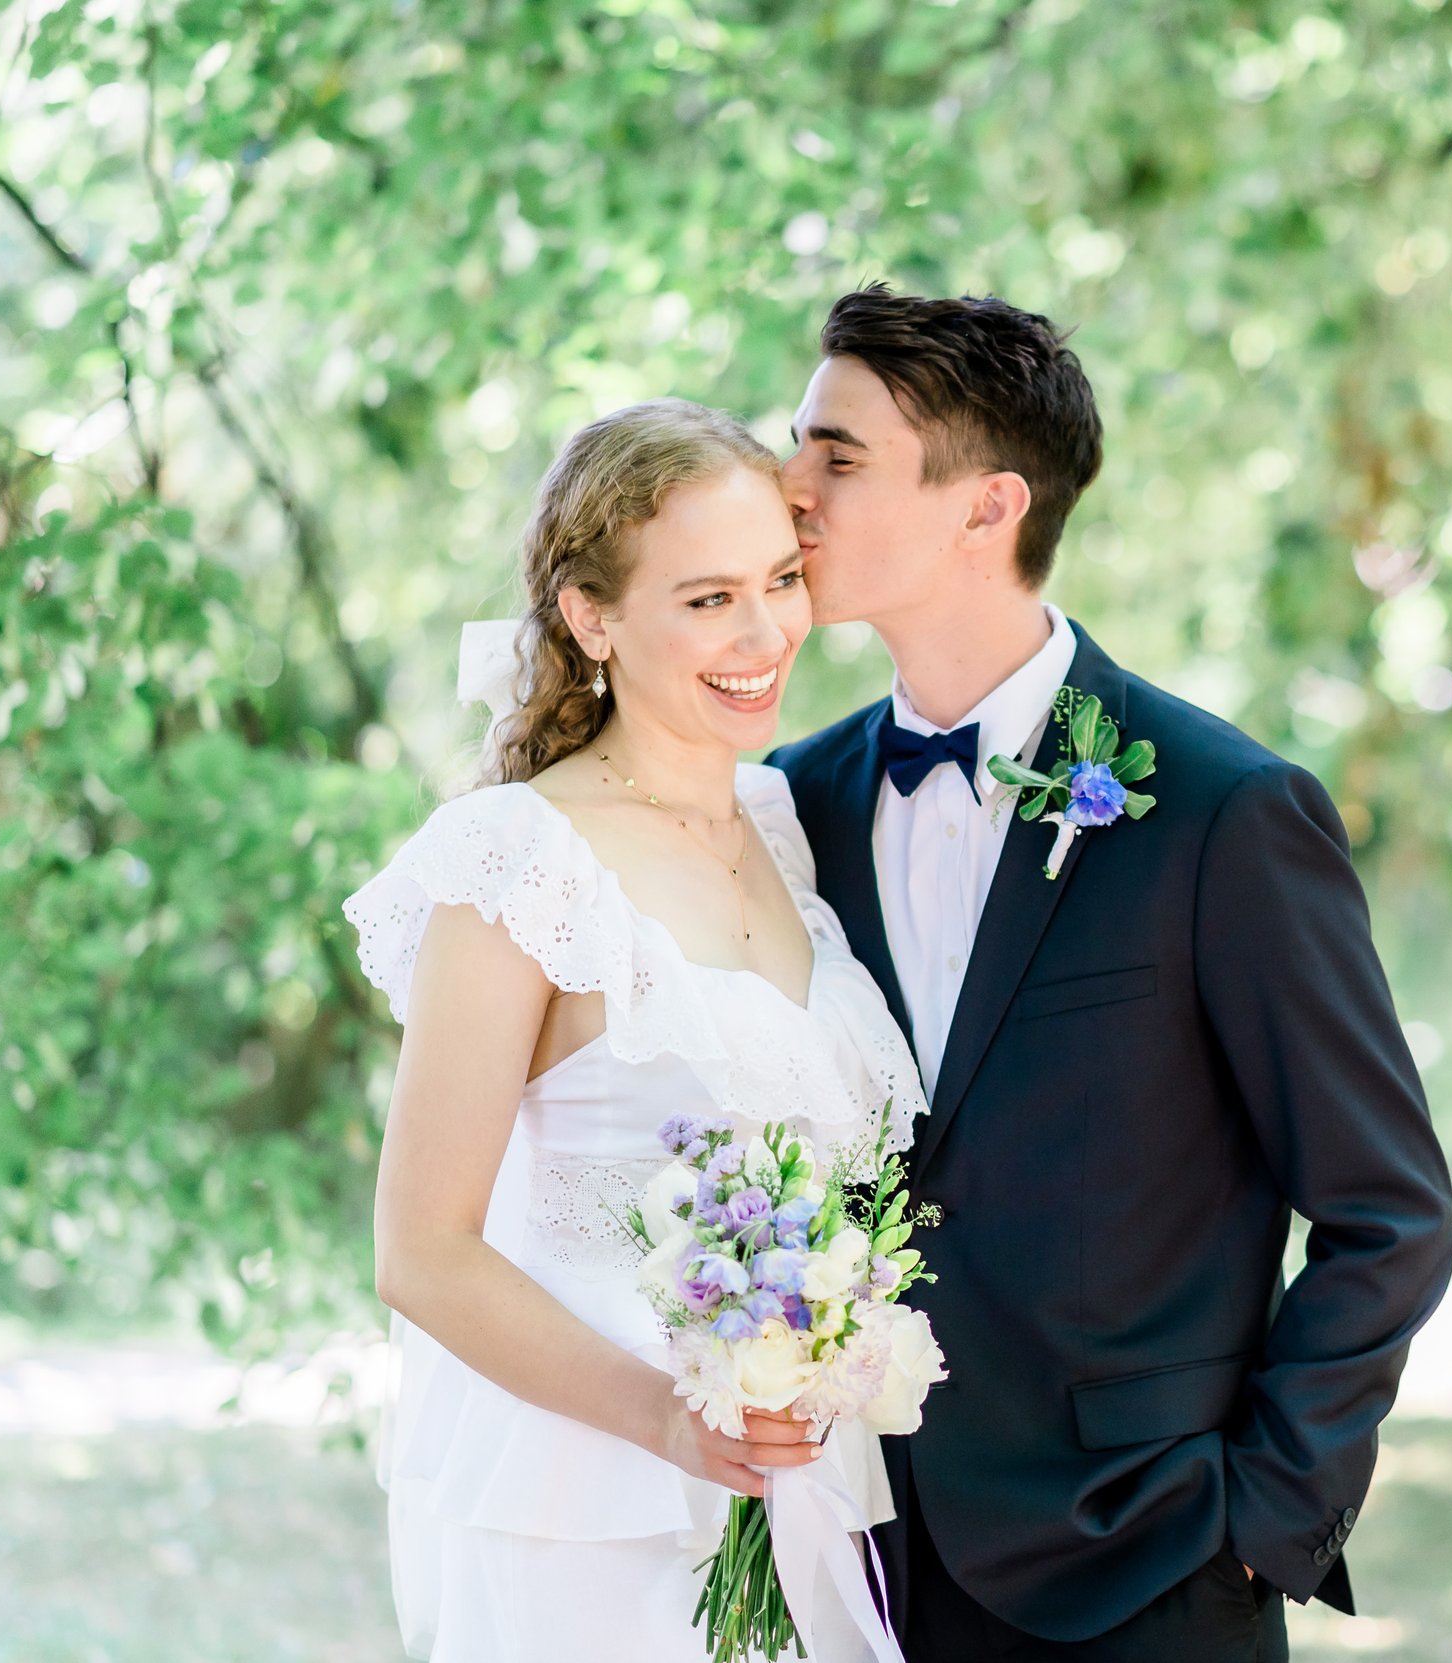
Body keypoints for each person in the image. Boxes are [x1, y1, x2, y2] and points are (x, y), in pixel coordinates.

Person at [771, 286, 1452, 1662]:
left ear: (988, 508)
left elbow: (1388, 1209)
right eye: (795, 443)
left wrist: (1261, 1514)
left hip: (1146, 1569)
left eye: (836, 456)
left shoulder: (1224, 812)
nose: (787, 487)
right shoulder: (788, 809)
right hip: (857, 1563)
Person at [343, 398, 924, 1660]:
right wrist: (668, 1417)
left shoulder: (779, 823)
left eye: (780, 579)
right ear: (590, 616)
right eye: (707, 599)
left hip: (793, 1502)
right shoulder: (515, 860)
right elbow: (421, 1250)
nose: (766, 632)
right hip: (585, 1521)